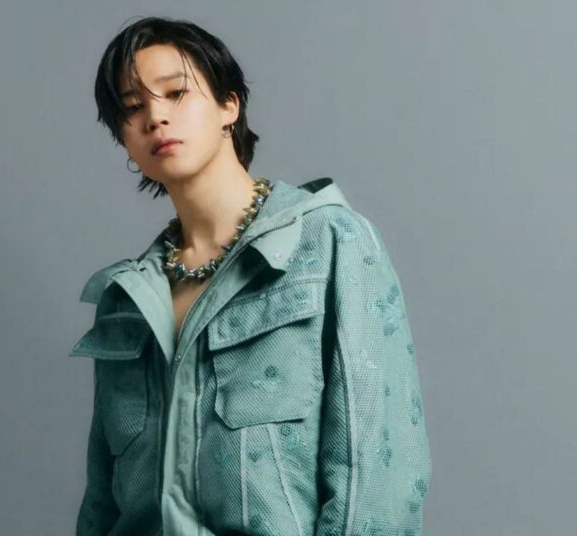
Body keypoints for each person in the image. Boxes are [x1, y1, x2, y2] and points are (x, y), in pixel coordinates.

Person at [70, 15, 432, 536]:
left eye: (176, 93)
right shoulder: (125, 301)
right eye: (132, 107)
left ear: (229, 105)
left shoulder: (328, 244)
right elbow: (102, 504)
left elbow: (378, 478)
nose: (155, 116)